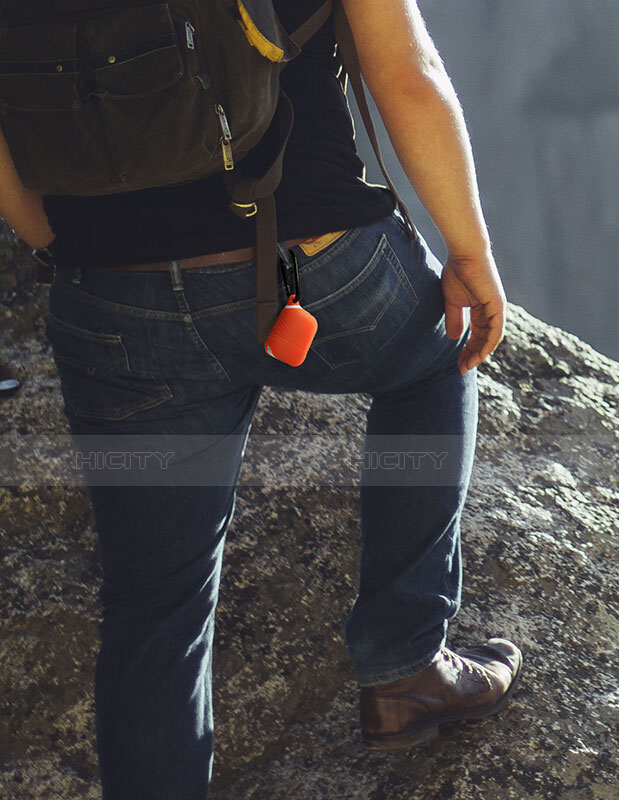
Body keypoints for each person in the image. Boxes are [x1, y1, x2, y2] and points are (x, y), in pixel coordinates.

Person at [0, 0, 522, 794]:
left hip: (113, 299)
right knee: (435, 358)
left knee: (154, 609)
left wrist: (63, 246)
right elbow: (408, 75)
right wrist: (471, 252)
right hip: (315, 259)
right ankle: (406, 664)